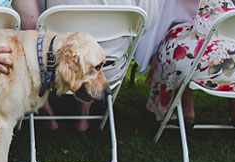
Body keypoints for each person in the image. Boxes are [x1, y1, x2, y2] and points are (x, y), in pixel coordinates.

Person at [37, 0, 157, 133]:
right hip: (111, 68)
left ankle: (46, 113)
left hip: (52, 68)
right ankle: (84, 114)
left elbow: (38, 22)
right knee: (93, 62)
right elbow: (145, 24)